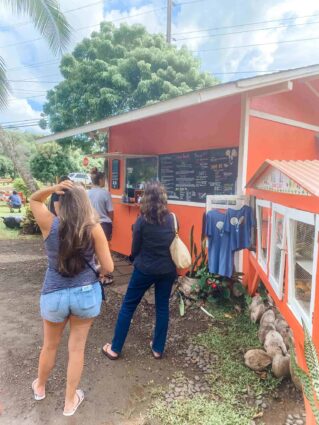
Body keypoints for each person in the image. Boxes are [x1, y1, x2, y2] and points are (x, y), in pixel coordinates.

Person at [30, 181, 114, 416]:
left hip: (53, 294)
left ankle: (40, 387)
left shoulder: (49, 224)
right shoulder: (94, 228)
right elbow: (108, 266)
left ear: (61, 204)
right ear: (83, 203)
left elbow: (34, 199)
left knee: (50, 345)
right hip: (85, 295)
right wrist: (98, 269)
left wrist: (52, 188)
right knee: (76, 350)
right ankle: (69, 402)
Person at [102, 181, 177, 360]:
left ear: (146, 198)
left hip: (144, 268)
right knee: (162, 307)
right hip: (167, 270)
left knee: (128, 305)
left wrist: (133, 258)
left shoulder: (142, 220)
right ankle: (158, 349)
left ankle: (115, 348)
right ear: (163, 198)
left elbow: (135, 247)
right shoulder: (172, 218)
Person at [88, 171, 114, 241]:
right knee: (105, 248)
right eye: (104, 180)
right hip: (104, 225)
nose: (104, 182)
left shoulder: (87, 193)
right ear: (100, 180)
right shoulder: (106, 193)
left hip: (91, 225)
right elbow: (111, 212)